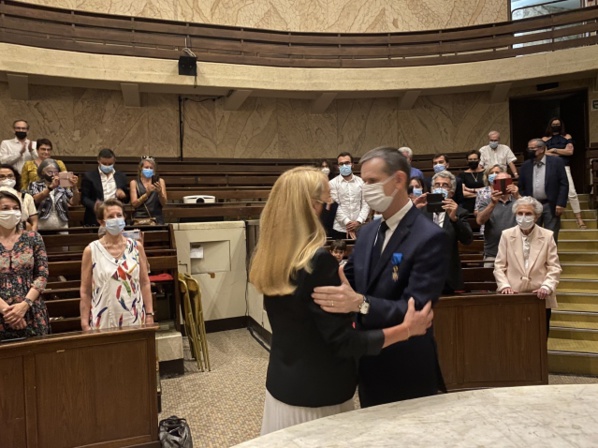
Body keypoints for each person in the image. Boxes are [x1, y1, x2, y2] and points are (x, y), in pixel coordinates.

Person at [249, 166, 434, 434]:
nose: (331, 206)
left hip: (282, 386)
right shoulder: (317, 261)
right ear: (312, 206)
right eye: (327, 201)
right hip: (319, 397)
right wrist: (407, 330)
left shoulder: (272, 256)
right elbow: (345, 343)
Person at [312, 147, 448, 408]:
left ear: (398, 180)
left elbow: (416, 309)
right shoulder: (367, 232)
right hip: (367, 356)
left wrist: (360, 304)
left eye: (372, 182)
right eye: (364, 182)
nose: (366, 188)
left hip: (406, 362)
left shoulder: (429, 236)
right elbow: (346, 278)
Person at [79, 198, 154, 330]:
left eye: (119, 215)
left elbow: (145, 282)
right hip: (103, 320)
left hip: (134, 318)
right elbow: (85, 291)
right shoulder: (91, 250)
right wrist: (84, 323)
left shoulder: (136, 247)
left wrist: (149, 314)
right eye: (110, 216)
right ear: (101, 222)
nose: (116, 219)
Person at [494, 196, 562, 337]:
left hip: (539, 296)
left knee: (539, 337)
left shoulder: (548, 235)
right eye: (520, 213)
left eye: (528, 214)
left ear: (536, 216)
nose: (523, 217)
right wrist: (504, 286)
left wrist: (547, 286)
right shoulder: (506, 235)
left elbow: (554, 267)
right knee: (513, 337)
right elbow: (499, 266)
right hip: (513, 293)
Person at [0, 190, 49, 340]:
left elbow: (42, 275)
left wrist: (24, 306)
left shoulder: (33, 238)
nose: (12, 212)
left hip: (31, 309)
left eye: (16, 208)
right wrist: (8, 312)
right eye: (5, 208)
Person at [415, 170, 473, 293]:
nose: (440, 187)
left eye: (445, 185)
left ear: (451, 193)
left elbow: (467, 240)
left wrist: (454, 219)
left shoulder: (459, 212)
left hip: (449, 278)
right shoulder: (419, 212)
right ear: (431, 189)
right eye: (437, 185)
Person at [518, 139, 568, 243]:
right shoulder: (525, 165)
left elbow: (564, 184)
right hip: (532, 205)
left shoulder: (556, 162)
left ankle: (550, 259)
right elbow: (521, 186)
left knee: (551, 236)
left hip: (550, 204)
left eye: (532, 148)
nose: (529, 151)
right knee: (531, 235)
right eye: (529, 148)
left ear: (541, 149)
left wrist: (561, 203)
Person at [542, 117, 586, 229]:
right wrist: (561, 152)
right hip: (550, 168)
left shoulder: (567, 137)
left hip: (564, 166)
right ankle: (552, 220)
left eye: (558, 124)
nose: (556, 126)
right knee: (550, 193)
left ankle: (579, 219)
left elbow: (570, 151)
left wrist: (553, 150)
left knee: (572, 193)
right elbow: (543, 154)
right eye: (553, 124)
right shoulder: (545, 139)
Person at [475, 172, 520, 267]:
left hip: (517, 253)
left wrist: (518, 196)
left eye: (506, 182)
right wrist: (492, 204)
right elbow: (480, 221)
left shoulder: (520, 201)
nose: (503, 185)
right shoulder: (487, 202)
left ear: (511, 183)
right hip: (492, 253)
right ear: (494, 184)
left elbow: (534, 215)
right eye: (499, 182)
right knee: (488, 279)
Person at [80, 148, 129, 226]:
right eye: (104, 163)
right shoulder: (89, 176)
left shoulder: (121, 176)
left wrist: (123, 195)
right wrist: (94, 206)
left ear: (114, 161)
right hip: (96, 217)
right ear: (98, 161)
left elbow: (126, 199)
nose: (107, 166)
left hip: (115, 216)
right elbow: (84, 199)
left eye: (110, 164)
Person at [28, 159, 79, 231]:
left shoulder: (62, 185)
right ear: (42, 172)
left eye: (56, 172)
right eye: (49, 172)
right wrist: (50, 187)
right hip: (41, 225)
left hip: (61, 224)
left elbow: (73, 202)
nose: (53, 174)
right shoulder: (35, 184)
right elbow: (35, 200)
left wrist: (74, 187)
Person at [329, 152, 370, 239]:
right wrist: (348, 223)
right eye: (341, 164)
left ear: (352, 165)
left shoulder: (362, 182)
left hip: (359, 227)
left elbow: (366, 203)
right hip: (339, 229)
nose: (344, 166)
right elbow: (335, 207)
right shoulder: (332, 183)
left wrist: (358, 221)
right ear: (338, 166)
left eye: (347, 163)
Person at [0, 164, 38, 231]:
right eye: (2, 176)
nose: (7, 179)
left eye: (10, 176)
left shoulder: (26, 197)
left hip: (22, 231)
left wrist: (32, 237)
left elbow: (34, 222)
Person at [130, 156, 167, 225]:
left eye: (151, 168)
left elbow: (164, 203)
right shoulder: (134, 183)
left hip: (156, 218)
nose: (149, 169)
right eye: (146, 167)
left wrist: (160, 193)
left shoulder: (160, 181)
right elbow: (134, 204)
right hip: (139, 218)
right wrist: (147, 194)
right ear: (141, 168)